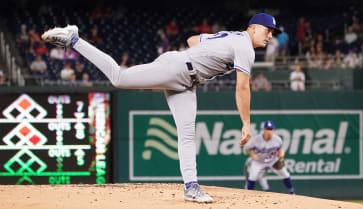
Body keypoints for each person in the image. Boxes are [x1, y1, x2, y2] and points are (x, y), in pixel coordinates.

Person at [42, 12, 281, 203]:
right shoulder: (246, 48)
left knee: (187, 135)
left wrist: (208, 55)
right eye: (268, 30)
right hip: (177, 69)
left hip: (186, 81)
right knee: (118, 78)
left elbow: (193, 40)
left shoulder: (231, 37)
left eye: (273, 33)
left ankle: (191, 188)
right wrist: (246, 123)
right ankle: (74, 39)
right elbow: (242, 88)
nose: (270, 36)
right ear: (253, 27)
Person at [244, 120, 295, 194]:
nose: (269, 131)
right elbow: (247, 148)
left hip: (272, 161)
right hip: (259, 161)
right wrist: (252, 154)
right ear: (264, 130)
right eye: (267, 129)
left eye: (270, 129)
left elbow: (281, 150)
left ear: (273, 130)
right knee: (252, 177)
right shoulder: (256, 139)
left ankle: (292, 192)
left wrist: (281, 154)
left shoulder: (277, 139)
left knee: (285, 174)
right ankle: (247, 194)